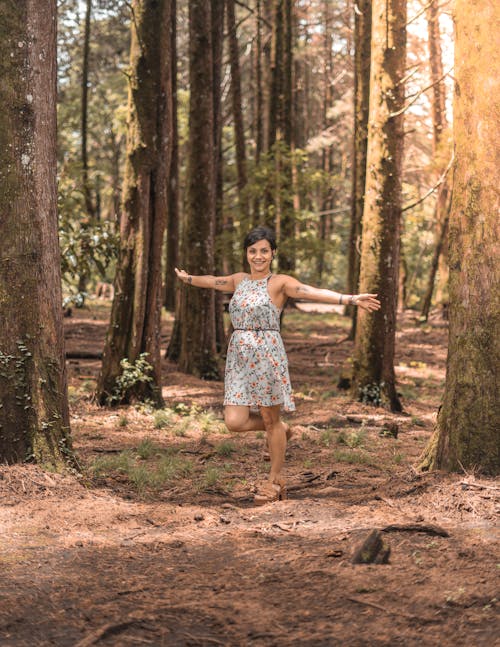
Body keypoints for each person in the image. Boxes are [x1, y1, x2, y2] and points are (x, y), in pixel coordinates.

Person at [175, 226, 380, 504]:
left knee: (270, 418)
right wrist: (188, 279)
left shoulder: (280, 282)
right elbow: (213, 281)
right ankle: (282, 431)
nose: (258, 256)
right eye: (252, 251)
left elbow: (311, 291)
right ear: (246, 254)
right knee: (234, 422)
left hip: (266, 356)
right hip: (238, 358)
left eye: (263, 251)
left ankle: (276, 479)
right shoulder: (239, 280)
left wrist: (350, 299)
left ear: (272, 253)